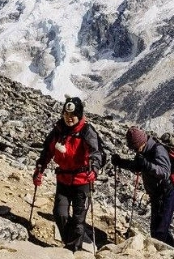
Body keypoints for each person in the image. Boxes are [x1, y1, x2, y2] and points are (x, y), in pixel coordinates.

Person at [33, 97, 105, 251]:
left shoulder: (86, 131)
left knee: (78, 221)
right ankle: (69, 244)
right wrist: (39, 170)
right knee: (60, 214)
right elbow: (47, 151)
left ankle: (74, 249)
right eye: (66, 114)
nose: (69, 118)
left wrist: (94, 169)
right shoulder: (58, 130)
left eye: (72, 115)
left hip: (82, 181)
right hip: (63, 180)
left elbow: (95, 152)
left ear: (79, 115)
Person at [110, 126, 174, 248]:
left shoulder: (158, 150)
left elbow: (165, 172)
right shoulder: (142, 151)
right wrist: (120, 162)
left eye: (136, 147)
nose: (136, 151)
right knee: (156, 231)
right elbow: (137, 166)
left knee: (161, 232)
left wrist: (147, 165)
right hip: (156, 195)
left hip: (166, 194)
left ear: (143, 142)